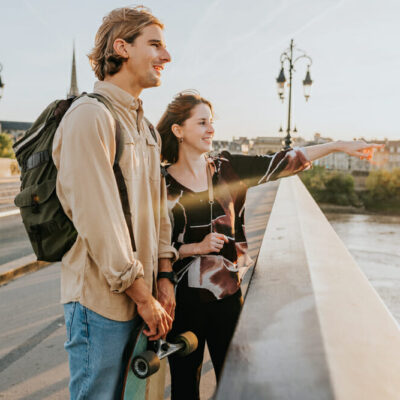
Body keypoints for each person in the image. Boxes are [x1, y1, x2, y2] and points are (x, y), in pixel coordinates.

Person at [156, 91, 382, 399]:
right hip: (182, 302)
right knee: (184, 387)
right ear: (178, 130)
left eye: (212, 122)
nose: (211, 129)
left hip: (227, 297)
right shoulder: (160, 184)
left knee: (235, 381)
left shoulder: (227, 169)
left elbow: (284, 161)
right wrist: (194, 248)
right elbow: (150, 247)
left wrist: (338, 145)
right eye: (202, 123)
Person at [52, 7, 178, 399]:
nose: (166, 56)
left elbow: (159, 215)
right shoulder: (90, 116)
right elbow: (98, 218)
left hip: (143, 297)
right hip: (101, 304)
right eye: (155, 44)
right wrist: (142, 295)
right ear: (121, 48)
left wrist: (164, 275)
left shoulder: (145, 127)